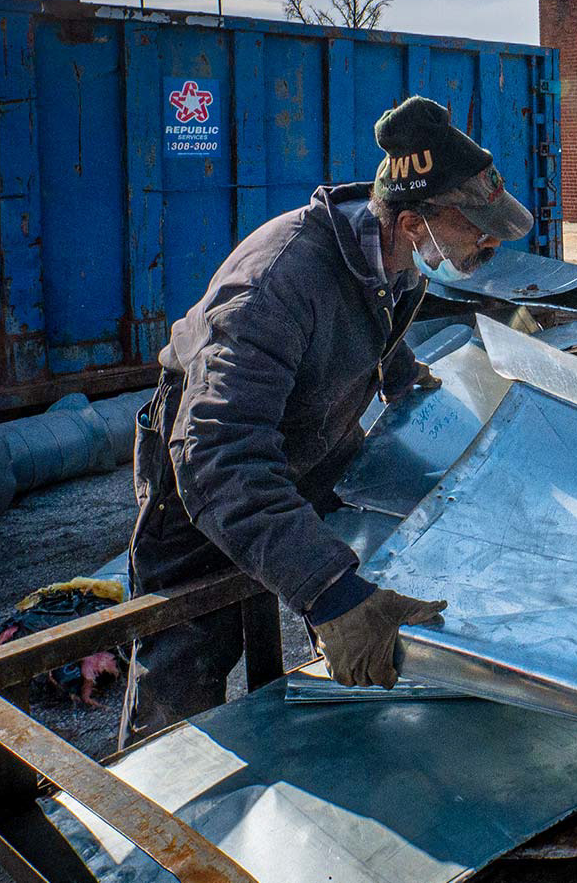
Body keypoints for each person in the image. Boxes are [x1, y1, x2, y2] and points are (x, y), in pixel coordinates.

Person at [119, 95, 531, 745]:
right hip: (205, 474)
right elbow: (217, 456)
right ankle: (142, 823)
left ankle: (345, 747)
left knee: (357, 578)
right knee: (190, 659)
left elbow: (375, 333)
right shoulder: (276, 286)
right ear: (413, 221)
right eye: (474, 223)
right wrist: (328, 592)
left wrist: (415, 394)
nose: (491, 238)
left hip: (309, 444)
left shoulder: (398, 263)